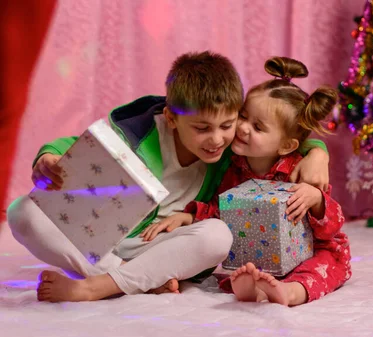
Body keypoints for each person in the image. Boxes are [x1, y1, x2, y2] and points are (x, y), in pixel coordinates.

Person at [7, 51, 330, 302]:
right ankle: (126, 280)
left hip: (161, 247)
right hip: (102, 241)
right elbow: (73, 146)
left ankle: (96, 287)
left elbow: (281, 134)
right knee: (22, 212)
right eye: (202, 129)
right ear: (172, 119)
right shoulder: (137, 130)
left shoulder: (235, 144)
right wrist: (48, 157)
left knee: (218, 235)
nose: (217, 139)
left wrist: (318, 151)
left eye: (227, 125)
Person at [159, 56, 351, 306]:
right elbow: (222, 211)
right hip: (262, 253)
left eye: (258, 127)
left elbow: (332, 225)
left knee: (324, 267)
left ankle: (291, 292)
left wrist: (316, 199)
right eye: (243, 116)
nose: (242, 128)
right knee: (239, 267)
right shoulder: (233, 166)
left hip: (310, 252)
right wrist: (193, 216)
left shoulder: (298, 170)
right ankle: (252, 288)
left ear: (286, 145)